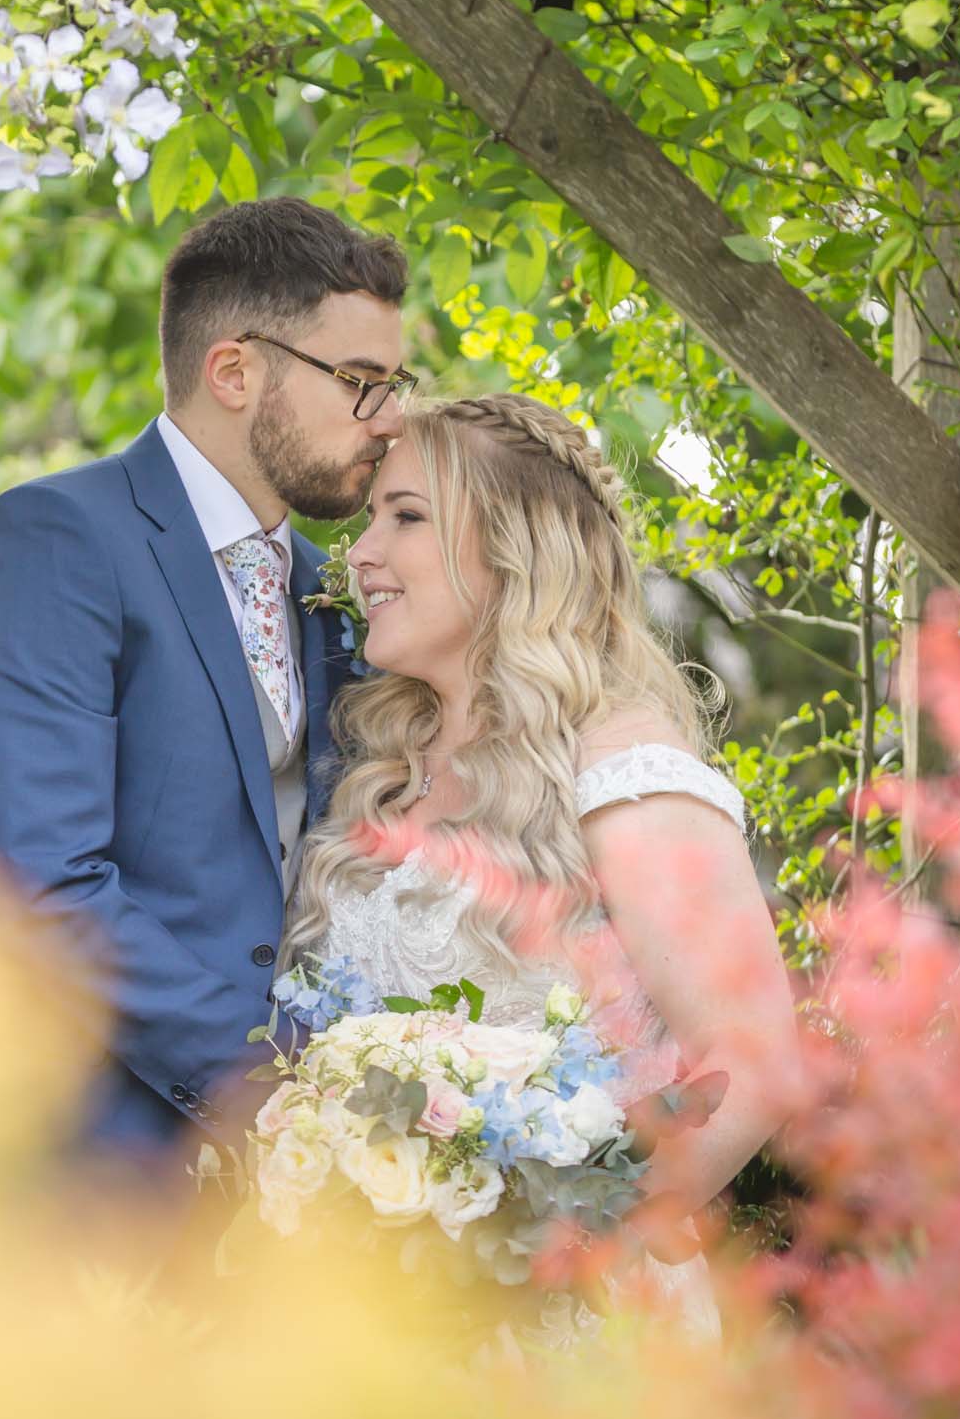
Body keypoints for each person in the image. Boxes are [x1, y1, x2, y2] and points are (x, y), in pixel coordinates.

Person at [287, 392, 801, 1345]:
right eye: (369, 520)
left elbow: (758, 1062)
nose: (358, 553)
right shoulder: (385, 778)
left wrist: (564, 1245)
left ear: (516, 549)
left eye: (405, 516)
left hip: (563, 1327)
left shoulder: (624, 771)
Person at [0, 197, 412, 1171]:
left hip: (271, 1187)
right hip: (61, 1147)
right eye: (359, 382)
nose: (389, 420)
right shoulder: (56, 540)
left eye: (394, 385)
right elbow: (38, 880)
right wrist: (275, 1087)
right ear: (234, 370)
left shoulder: (331, 588)